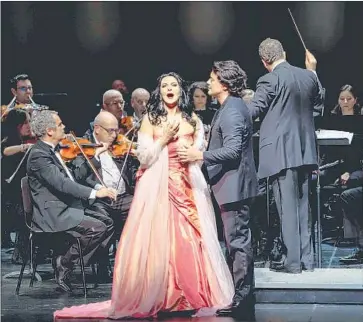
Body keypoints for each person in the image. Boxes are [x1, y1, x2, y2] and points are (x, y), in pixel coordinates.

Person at [54, 72, 234, 319]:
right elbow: (145, 156)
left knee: (190, 238)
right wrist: (164, 139)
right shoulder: (151, 119)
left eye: (173, 85)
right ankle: (165, 293)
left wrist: (192, 150)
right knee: (161, 240)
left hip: (187, 186)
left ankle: (191, 292)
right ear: (159, 91)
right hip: (160, 185)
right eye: (164, 86)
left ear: (180, 90)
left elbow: (200, 149)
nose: (169, 89)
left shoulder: (191, 118)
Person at [178, 60, 258, 319]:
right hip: (230, 186)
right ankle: (241, 294)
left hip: (235, 187)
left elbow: (233, 150)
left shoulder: (233, 110)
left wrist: (198, 154)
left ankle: (243, 298)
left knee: (238, 243)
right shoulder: (230, 107)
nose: (209, 82)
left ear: (224, 83)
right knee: (236, 242)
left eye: (212, 79)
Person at [248, 38, 325, 273]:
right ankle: (306, 261)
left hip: (281, 152)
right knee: (303, 207)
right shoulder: (307, 76)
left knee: (288, 208)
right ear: (284, 52)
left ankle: (293, 263)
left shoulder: (269, 79)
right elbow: (319, 102)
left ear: (264, 61)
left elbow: (253, 110)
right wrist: (313, 71)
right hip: (305, 150)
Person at [26, 110, 117, 292]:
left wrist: (94, 157)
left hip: (66, 205)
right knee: (96, 229)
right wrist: (95, 193)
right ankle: (65, 263)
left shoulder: (54, 151)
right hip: (52, 212)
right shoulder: (38, 155)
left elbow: (73, 178)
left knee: (108, 222)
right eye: (60, 125)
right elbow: (62, 184)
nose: (64, 127)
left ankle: (68, 259)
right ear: (50, 131)